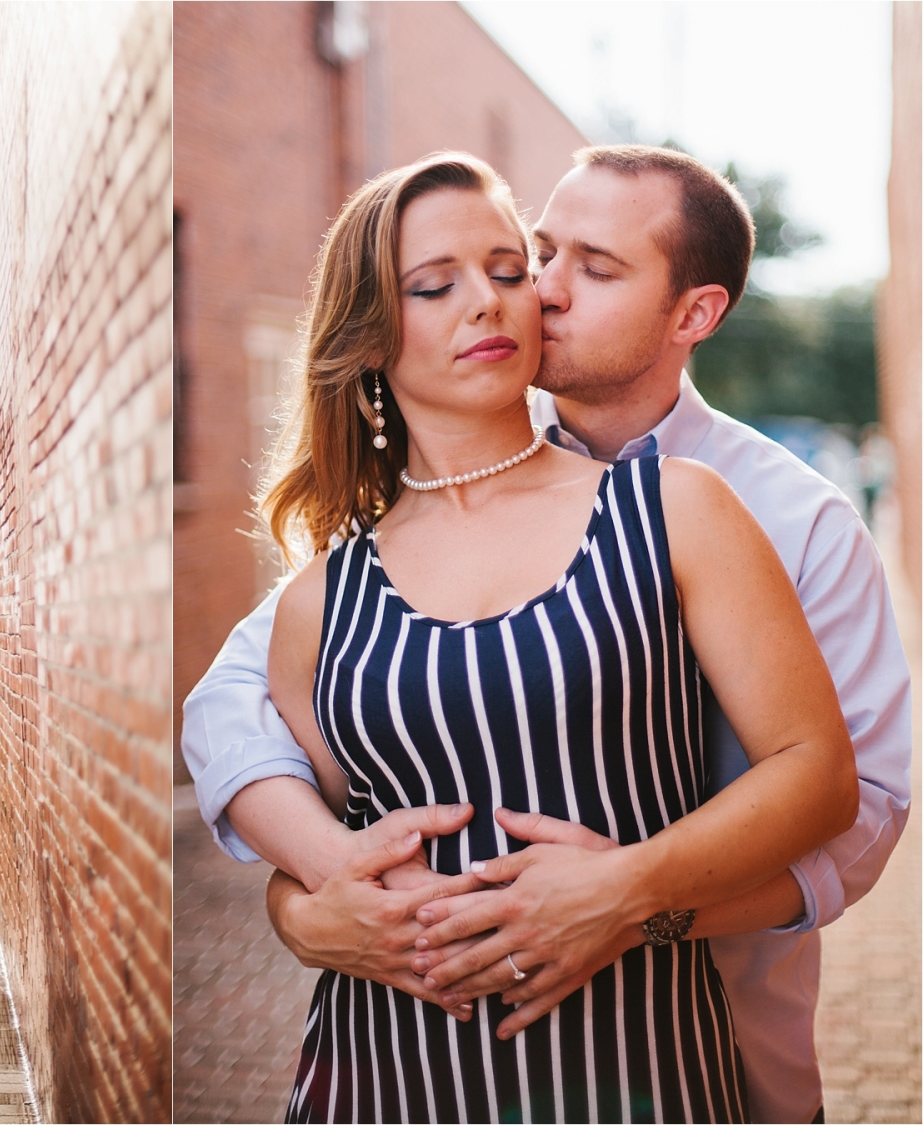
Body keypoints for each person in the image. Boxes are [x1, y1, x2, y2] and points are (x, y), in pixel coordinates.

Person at [193, 150, 873, 1122]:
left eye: (510, 271)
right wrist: (300, 911)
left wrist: (624, 889)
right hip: (379, 1076)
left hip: (638, 1069)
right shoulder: (319, 598)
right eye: (436, 285)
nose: (492, 301)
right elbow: (306, 822)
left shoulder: (675, 506)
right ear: (370, 335)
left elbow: (822, 776)